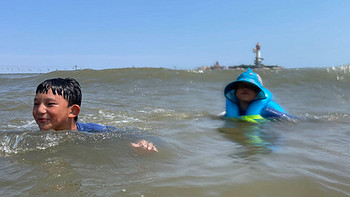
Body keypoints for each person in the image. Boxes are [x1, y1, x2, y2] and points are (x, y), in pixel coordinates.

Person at [32, 78, 158, 152]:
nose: (40, 110)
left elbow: (126, 135)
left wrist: (142, 143)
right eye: (36, 104)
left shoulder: (93, 132)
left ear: (73, 111)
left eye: (50, 104)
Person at [224, 68, 293, 123]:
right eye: (241, 86)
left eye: (251, 86)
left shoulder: (267, 110)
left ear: (258, 93)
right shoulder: (233, 108)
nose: (245, 88)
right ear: (235, 91)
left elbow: (290, 120)